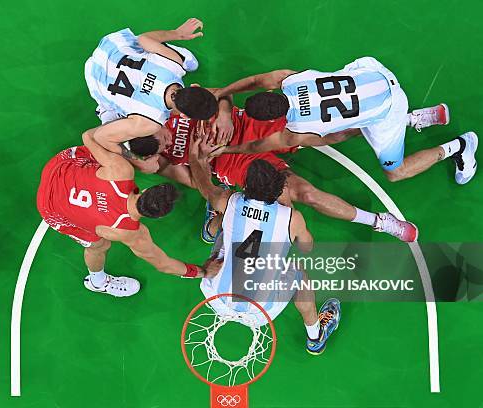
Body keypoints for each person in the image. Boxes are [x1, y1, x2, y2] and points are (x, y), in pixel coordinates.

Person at [155, 102, 418, 242]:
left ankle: (403, 118)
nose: (165, 142)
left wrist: (224, 115)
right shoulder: (158, 158)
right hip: (232, 163)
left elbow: (220, 96)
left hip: (246, 126)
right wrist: (197, 158)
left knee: (326, 132)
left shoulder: (168, 107)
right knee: (305, 194)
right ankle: (379, 222)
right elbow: (195, 182)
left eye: (160, 136)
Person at [213, 56, 478, 184]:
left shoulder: (298, 128)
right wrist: (223, 93)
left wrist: (227, 148)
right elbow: (255, 81)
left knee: (395, 172)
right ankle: (417, 118)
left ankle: (460, 147)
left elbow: (260, 147)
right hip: (373, 70)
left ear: (275, 119)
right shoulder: (289, 78)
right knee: (350, 109)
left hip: (389, 108)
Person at [188, 140, 340, 355]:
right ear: (279, 189)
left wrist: (195, 158)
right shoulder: (291, 217)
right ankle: (316, 336)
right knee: (297, 271)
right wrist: (289, 209)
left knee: (226, 231)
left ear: (247, 186)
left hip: (216, 296)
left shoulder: (230, 200)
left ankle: (209, 229)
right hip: (261, 312)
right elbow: (307, 247)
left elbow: (204, 184)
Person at [36, 128, 219, 298]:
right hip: (50, 208)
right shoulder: (128, 233)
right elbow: (163, 264)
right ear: (158, 216)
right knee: (99, 245)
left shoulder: (121, 171)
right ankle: (97, 282)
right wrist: (202, 271)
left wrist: (136, 159)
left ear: (146, 190)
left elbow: (89, 136)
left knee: (107, 148)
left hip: (57, 167)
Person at [83, 18, 218, 153]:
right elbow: (101, 136)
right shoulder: (150, 123)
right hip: (94, 79)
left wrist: (177, 33)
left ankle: (175, 53)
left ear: (195, 86)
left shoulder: (173, 64)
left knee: (188, 63)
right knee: (120, 121)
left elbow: (144, 38)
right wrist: (134, 159)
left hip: (109, 49)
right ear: (184, 115)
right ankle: (105, 110)